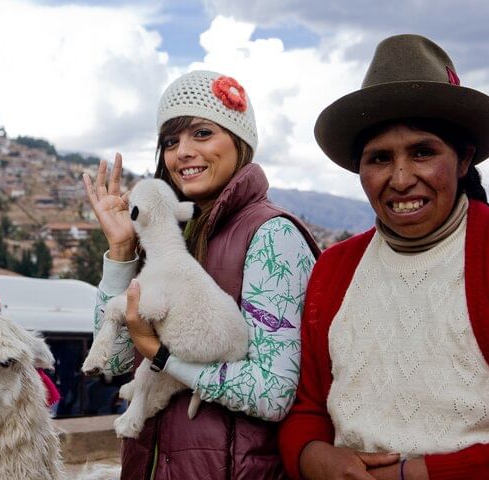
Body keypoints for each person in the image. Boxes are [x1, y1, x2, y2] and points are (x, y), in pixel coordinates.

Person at [279, 34, 489, 480]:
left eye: (423, 152)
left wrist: (417, 474)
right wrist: (314, 456)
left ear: (464, 159)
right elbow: (308, 405)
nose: (401, 177)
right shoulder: (335, 269)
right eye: (379, 158)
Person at [83, 70, 319, 478]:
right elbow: (118, 361)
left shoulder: (271, 236)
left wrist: (163, 357)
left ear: (239, 141)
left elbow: (273, 393)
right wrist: (122, 251)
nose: (182, 153)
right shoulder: (170, 236)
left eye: (203, 134)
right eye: (171, 141)